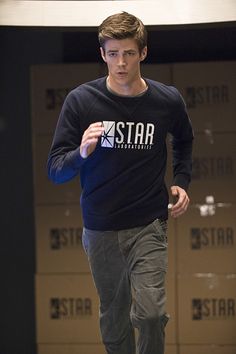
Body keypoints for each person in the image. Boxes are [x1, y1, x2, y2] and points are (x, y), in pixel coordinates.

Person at [47, 11, 194, 354]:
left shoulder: (166, 99)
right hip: (100, 228)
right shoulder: (81, 101)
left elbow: (185, 140)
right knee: (114, 321)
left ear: (143, 53)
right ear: (102, 55)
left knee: (151, 315)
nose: (121, 62)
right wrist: (81, 152)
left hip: (149, 223)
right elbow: (55, 170)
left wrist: (182, 180)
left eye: (128, 53)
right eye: (113, 54)